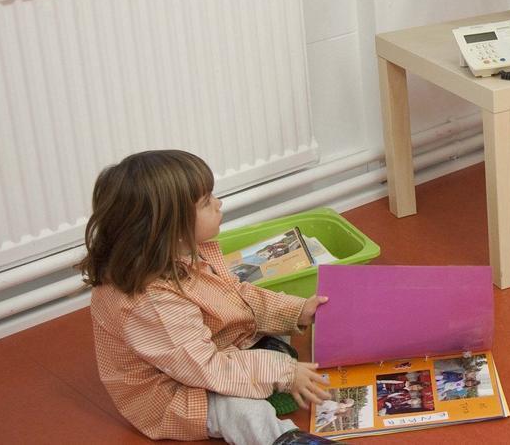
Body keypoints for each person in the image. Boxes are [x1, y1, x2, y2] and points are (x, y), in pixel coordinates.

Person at [79, 150, 335, 445]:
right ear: (169, 228)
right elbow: (204, 367)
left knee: (270, 331)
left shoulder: (184, 251)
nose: (219, 203)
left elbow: (239, 296)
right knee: (240, 410)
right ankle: (284, 439)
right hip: (178, 389)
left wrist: (297, 310)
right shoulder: (150, 303)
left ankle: (261, 366)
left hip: (207, 348)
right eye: (206, 202)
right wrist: (284, 371)